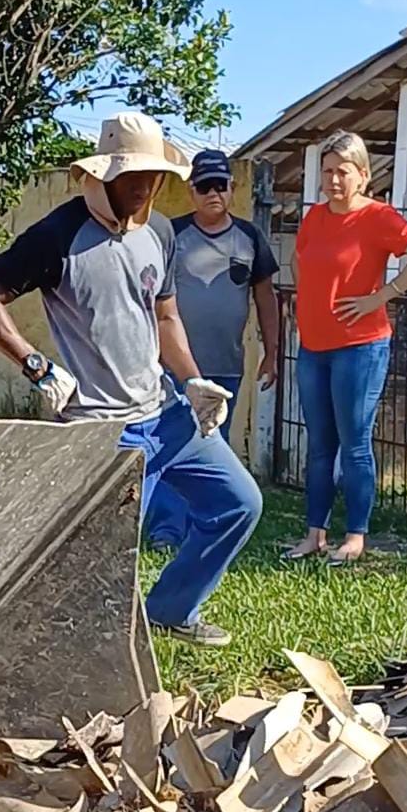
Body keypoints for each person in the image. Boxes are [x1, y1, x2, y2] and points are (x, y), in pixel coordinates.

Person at [0, 111, 263, 648]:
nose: (146, 187)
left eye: (154, 176)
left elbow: (165, 317)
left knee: (239, 503)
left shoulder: (161, 233)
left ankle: (172, 610)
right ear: (104, 174)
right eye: (134, 176)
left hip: (166, 414)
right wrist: (35, 364)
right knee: (102, 552)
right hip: (103, 429)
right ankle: (70, 644)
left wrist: (193, 382)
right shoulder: (56, 236)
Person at [285, 129, 407, 565]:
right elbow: (301, 260)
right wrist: (309, 303)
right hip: (314, 347)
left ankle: (355, 535)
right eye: (327, 171)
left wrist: (382, 295)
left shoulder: (378, 217)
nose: (333, 180)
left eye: (343, 172)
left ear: (364, 175)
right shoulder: (315, 217)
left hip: (360, 347)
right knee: (319, 444)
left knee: (354, 442)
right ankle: (314, 533)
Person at [145, 147, 279, 549]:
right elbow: (150, 298)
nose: (212, 193)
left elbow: (266, 299)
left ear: (232, 189)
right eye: (204, 186)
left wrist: (273, 353)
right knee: (170, 444)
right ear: (192, 191)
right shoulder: (171, 234)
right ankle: (167, 529)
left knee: (211, 447)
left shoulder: (250, 237)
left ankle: (209, 524)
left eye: (220, 185)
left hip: (226, 367)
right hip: (174, 367)